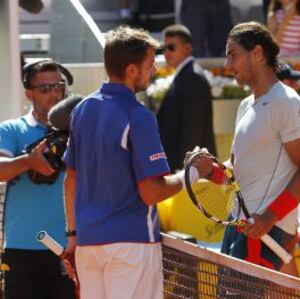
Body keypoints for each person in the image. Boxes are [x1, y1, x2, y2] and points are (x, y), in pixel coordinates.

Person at [63, 26, 202, 299]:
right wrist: (191, 175)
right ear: (131, 70)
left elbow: (71, 179)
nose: (154, 72)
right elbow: (152, 192)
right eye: (150, 65)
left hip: (89, 246)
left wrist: (73, 237)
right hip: (132, 246)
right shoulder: (139, 116)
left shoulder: (82, 110)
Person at [194, 22, 300, 272]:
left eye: (233, 54)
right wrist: (212, 171)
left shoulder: (286, 102)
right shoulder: (245, 106)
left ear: (258, 53)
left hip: (266, 231)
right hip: (242, 226)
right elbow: (237, 172)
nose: (227, 65)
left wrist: (269, 218)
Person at [0, 60, 76, 299]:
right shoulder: (12, 129)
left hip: (68, 247)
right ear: (28, 93)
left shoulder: (79, 130)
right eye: (45, 88)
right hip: (21, 247)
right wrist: (28, 162)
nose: (54, 93)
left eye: (58, 86)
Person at [157, 24, 217, 173]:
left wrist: (184, 171)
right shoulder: (186, 75)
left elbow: (192, 130)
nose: (166, 53)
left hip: (188, 173)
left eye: (171, 47)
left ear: (187, 48)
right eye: (164, 48)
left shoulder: (193, 77)